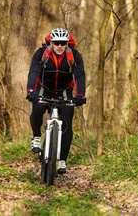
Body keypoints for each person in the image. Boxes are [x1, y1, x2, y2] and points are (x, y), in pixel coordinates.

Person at [26, 28, 86, 174]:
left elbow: (80, 75)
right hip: (44, 89)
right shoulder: (42, 54)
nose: (59, 46)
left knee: (67, 123)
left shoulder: (74, 56)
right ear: (51, 42)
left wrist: (80, 95)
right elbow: (34, 71)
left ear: (67, 44)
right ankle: (36, 136)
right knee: (38, 109)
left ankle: (63, 160)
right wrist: (31, 91)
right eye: (56, 42)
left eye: (63, 43)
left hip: (64, 92)